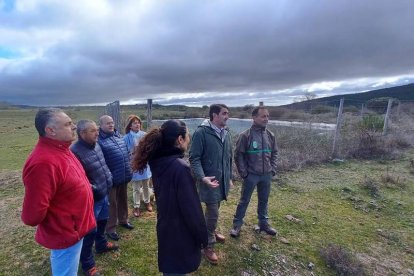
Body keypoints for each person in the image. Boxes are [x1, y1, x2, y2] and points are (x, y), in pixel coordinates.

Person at [21, 108, 96, 276]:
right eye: (68, 124)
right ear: (50, 130)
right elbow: (32, 216)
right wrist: (65, 220)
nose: (74, 127)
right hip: (66, 233)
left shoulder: (62, 149)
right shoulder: (43, 163)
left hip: (75, 229)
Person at [132, 120, 208, 275]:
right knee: (177, 269)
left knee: (171, 266)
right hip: (181, 230)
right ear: (180, 139)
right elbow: (191, 209)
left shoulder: (159, 160)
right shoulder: (180, 168)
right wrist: (202, 237)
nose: (189, 138)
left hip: (167, 224)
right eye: (187, 135)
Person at [71, 119, 120, 276]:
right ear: (82, 133)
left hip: (104, 193)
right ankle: (88, 266)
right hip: (91, 199)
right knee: (88, 232)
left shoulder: (96, 144)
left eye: (97, 130)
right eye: (93, 131)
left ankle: (101, 244)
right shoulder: (74, 152)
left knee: (102, 222)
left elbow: (102, 164)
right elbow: (78, 179)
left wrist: (108, 178)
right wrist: (95, 189)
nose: (97, 133)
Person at [189, 103, 233, 265]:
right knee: (213, 212)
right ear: (214, 115)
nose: (227, 116)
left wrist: (229, 177)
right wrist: (202, 177)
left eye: (227, 113)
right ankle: (208, 244)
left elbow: (229, 156)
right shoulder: (201, 133)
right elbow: (194, 158)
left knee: (215, 209)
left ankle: (211, 231)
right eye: (224, 113)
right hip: (209, 181)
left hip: (221, 181)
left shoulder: (226, 132)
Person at [230, 106, 278, 238]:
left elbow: (274, 153)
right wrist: (244, 173)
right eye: (263, 116)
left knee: (264, 200)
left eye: (267, 116)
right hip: (251, 175)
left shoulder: (270, 135)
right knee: (244, 200)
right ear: (254, 117)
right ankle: (237, 225)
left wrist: (272, 169)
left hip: (266, 175)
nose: (266, 119)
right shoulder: (245, 136)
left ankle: (264, 224)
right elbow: (238, 156)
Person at [98, 115, 133, 241]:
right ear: (101, 125)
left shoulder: (119, 136)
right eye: (107, 123)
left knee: (123, 199)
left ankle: (124, 220)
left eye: (112, 122)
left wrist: (129, 167)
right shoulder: (99, 141)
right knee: (111, 203)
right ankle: (111, 228)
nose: (111, 125)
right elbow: (100, 161)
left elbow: (127, 154)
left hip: (123, 175)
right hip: (110, 178)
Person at [123, 115, 153, 217]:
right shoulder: (126, 138)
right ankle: (136, 206)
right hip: (134, 165)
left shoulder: (145, 135)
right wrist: (133, 152)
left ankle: (147, 201)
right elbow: (125, 152)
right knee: (136, 187)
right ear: (130, 126)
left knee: (146, 185)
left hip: (145, 164)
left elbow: (149, 149)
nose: (137, 124)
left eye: (138, 122)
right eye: (135, 123)